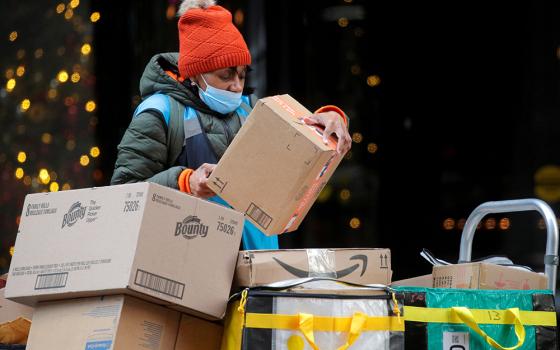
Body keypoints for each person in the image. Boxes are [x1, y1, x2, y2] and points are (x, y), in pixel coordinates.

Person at [110, 0, 352, 250]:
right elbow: (123, 194)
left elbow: (302, 138)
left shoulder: (251, 107)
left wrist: (329, 119)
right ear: (195, 74)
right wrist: (185, 182)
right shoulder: (160, 113)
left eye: (242, 74)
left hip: (259, 266)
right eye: (225, 75)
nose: (236, 85)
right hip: (191, 267)